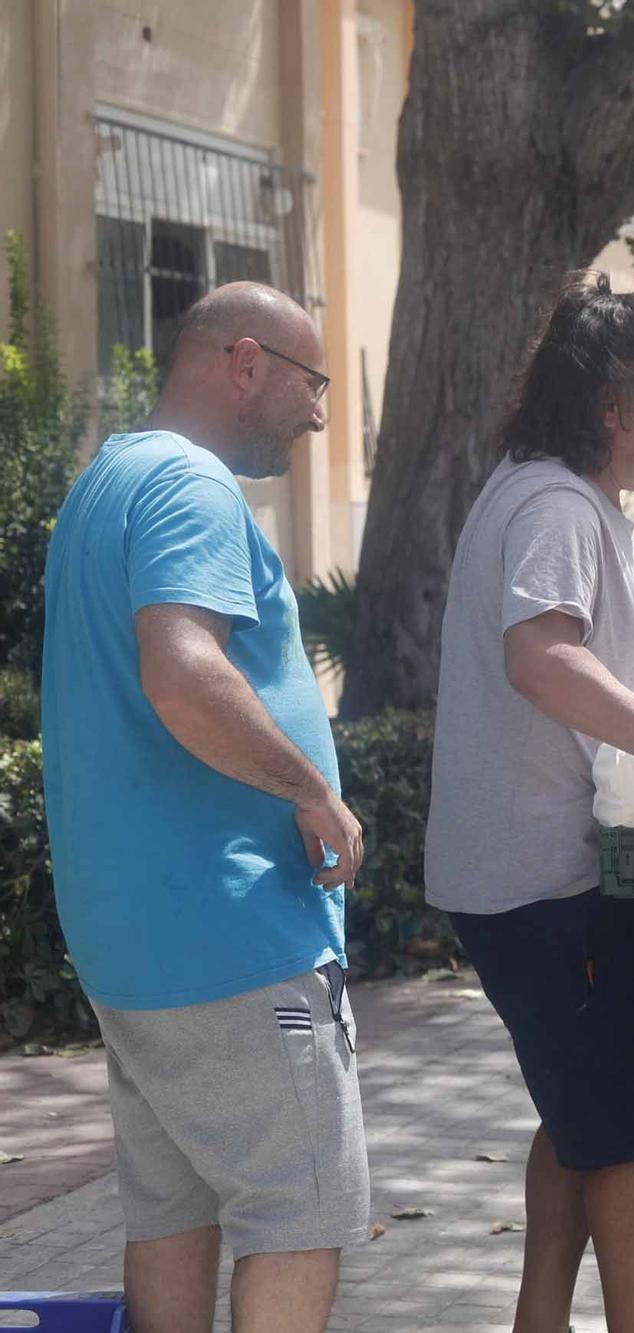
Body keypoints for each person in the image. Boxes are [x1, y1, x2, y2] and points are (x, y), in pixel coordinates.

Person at [426, 271, 634, 1333]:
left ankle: (539, 1320)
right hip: (544, 884)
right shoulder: (556, 506)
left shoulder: (549, 493)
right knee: (622, 1126)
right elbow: (542, 658)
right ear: (613, 402)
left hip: (528, 878)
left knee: (577, 1107)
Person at [40, 282, 368, 1333]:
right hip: (234, 942)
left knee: (170, 1213)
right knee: (299, 1211)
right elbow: (182, 674)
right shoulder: (190, 486)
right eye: (312, 384)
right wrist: (313, 791)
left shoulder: (107, 480)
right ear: (244, 360)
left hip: (136, 945)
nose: (318, 414)